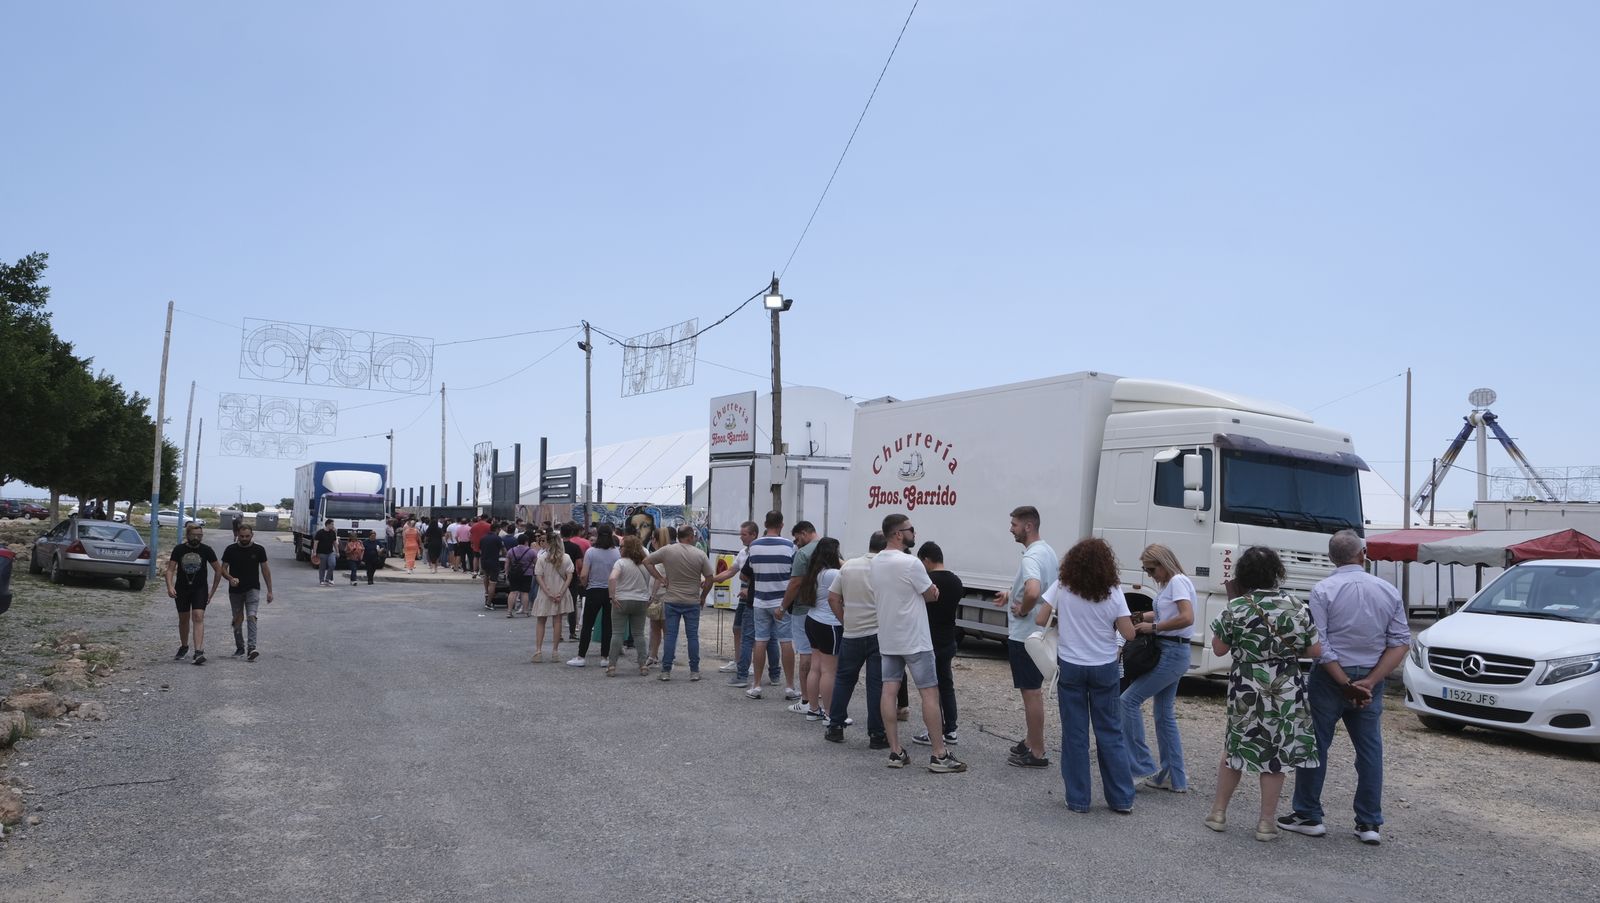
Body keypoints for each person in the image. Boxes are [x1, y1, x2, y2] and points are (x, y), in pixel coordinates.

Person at [1280, 530, 1410, 846]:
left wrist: (1345, 682)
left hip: (1330, 677)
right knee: (1369, 749)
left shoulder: (1323, 590)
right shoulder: (1387, 590)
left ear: (1330, 558)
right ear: (1363, 554)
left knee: (1317, 744)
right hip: (1370, 675)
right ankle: (1369, 823)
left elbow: (1319, 644)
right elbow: (1401, 641)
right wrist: (1370, 682)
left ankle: (1309, 814)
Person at [1206, 546, 1321, 842]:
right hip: (1284, 685)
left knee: (1235, 746)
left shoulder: (1237, 607)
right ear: (1276, 572)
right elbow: (1315, 650)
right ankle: (1266, 823)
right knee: (1275, 753)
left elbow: (1219, 649)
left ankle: (1218, 813)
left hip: (1247, 685)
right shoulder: (1296, 605)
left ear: (1243, 574)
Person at [1037, 537, 1137, 813]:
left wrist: (1066, 621)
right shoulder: (1113, 590)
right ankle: (1121, 799)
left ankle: (1079, 799)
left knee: (1075, 735)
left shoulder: (1062, 586)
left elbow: (1039, 619)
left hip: (1070, 665)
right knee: (1110, 733)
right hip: (1104, 666)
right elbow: (1128, 633)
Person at [870, 514, 965, 773]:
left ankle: (895, 751)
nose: (914, 532)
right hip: (915, 638)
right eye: (911, 529)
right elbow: (930, 594)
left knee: (889, 691)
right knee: (929, 693)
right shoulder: (911, 563)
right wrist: (932, 591)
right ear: (899, 534)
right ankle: (939, 754)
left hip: (888, 637)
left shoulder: (876, 561)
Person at [1122, 544, 1195, 794]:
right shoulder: (1173, 584)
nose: (1150, 574)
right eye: (1146, 570)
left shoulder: (1177, 582)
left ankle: (1142, 766)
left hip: (1171, 650)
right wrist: (1138, 617)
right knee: (1164, 714)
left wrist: (1154, 628)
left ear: (1163, 563)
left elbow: (1187, 617)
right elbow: (1166, 612)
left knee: (1127, 701)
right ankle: (1174, 776)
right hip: (1173, 650)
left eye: (1151, 569)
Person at [995, 505, 1057, 769]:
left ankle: (1037, 751)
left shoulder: (1030, 557)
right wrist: (1011, 594)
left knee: (1031, 693)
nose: (1011, 529)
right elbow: (1042, 587)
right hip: (1040, 633)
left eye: (1014, 524)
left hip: (1025, 636)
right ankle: (1031, 740)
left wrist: (1023, 607)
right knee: (1032, 691)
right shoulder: (1048, 551)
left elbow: (1033, 590)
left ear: (1028, 526)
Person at [824, 531, 889, 747]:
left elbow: (832, 597)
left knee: (844, 680)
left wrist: (845, 620)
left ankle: (835, 727)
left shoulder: (849, 566)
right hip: (879, 634)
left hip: (852, 633)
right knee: (876, 684)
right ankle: (877, 735)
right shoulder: (887, 568)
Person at [645, 524, 714, 680]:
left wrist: (660, 578)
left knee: (670, 636)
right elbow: (710, 578)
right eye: (694, 536)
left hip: (672, 600)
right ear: (689, 536)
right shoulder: (700, 554)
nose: (695, 538)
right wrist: (703, 596)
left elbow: (647, 561)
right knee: (692, 637)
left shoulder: (668, 550)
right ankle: (694, 671)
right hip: (692, 600)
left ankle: (666, 671)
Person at [744, 511, 798, 700]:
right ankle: (790, 687)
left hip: (760, 600)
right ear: (781, 525)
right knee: (785, 642)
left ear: (765, 524)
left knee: (760, 641)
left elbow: (751, 572)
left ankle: (756, 685)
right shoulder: (790, 546)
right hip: (781, 603)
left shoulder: (754, 546)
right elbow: (794, 574)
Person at [915, 541, 963, 747]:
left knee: (930, 688)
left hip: (929, 639)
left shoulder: (927, 581)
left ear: (926, 560)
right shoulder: (956, 581)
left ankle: (933, 730)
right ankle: (951, 729)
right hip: (948, 638)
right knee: (947, 684)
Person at [800, 538, 845, 721]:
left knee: (816, 667)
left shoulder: (815, 572)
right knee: (829, 671)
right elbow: (848, 570)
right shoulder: (834, 573)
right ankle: (830, 713)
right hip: (830, 624)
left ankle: (813, 708)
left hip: (812, 619)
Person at [165, 522, 221, 665]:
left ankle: (198, 651)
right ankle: (184, 646)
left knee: (198, 616)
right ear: (188, 535)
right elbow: (170, 569)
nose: (197, 538)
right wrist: (170, 586)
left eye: (200, 535)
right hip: (182, 588)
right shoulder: (179, 549)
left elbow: (218, 570)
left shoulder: (207, 550)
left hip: (200, 589)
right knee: (184, 619)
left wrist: (212, 591)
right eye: (194, 535)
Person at [781, 521, 821, 714]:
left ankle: (806, 700)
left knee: (805, 654)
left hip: (803, 608)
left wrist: (783, 606)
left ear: (804, 533)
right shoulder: (830, 549)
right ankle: (820, 696)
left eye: (797, 538)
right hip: (825, 610)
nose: (796, 543)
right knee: (823, 657)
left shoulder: (802, 554)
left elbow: (795, 583)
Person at [219, 523, 273, 662]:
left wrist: (270, 591)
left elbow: (265, 570)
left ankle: (251, 648)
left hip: (253, 588)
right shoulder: (230, 549)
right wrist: (230, 578)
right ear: (237, 535)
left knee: (251, 616)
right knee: (237, 619)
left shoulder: (259, 550)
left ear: (252, 535)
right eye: (241, 536)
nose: (244, 538)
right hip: (235, 590)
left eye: (247, 536)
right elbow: (223, 569)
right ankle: (240, 647)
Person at [570, 524, 619, 667]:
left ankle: (581, 656)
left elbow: (584, 574)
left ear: (597, 535)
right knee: (607, 625)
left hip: (593, 590)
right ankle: (605, 657)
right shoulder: (617, 552)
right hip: (610, 592)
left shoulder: (591, 552)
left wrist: (585, 585)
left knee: (587, 624)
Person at [608, 535, 656, 676]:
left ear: (626, 548)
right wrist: (651, 596)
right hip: (641, 601)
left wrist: (612, 595)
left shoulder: (620, 563)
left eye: (621, 546)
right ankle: (643, 665)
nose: (619, 548)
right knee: (639, 634)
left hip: (621, 600)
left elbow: (612, 578)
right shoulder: (645, 564)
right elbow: (654, 578)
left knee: (617, 633)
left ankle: (612, 666)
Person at [531, 531, 574, 662]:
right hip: (560, 591)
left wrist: (548, 593)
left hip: (546, 592)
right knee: (558, 621)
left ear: (547, 542)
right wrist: (561, 592)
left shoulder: (542, 558)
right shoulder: (566, 557)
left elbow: (538, 577)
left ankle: (538, 650)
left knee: (541, 621)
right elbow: (569, 577)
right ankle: (555, 651)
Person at [645, 526, 674, 667]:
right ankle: (665, 655)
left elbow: (658, 578)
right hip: (669, 597)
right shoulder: (670, 555)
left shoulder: (657, 556)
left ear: (655, 540)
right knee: (666, 630)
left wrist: (652, 596)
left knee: (655, 628)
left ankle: (653, 655)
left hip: (659, 597)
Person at [562, 523, 588, 640]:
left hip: (557, 579)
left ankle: (558, 633)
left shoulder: (556, 547)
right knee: (572, 605)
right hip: (571, 578)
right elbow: (579, 564)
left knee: (557, 605)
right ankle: (572, 633)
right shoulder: (575, 547)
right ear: (572, 533)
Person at [504, 532, 539, 617]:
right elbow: (537, 563)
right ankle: (526, 611)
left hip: (514, 574)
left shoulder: (511, 551)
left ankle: (509, 611)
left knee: (513, 592)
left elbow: (507, 564)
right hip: (527, 574)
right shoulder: (531, 552)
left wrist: (506, 573)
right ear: (526, 541)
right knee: (525, 592)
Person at [479, 521, 505, 611]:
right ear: (497, 529)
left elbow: (480, 550)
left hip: (484, 561)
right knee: (493, 582)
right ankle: (489, 603)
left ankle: (486, 593)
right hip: (494, 562)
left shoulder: (483, 538)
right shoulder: (497, 538)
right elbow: (504, 550)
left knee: (486, 576)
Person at [314, 518, 338, 586]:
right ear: (327, 525)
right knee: (322, 567)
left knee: (332, 564)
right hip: (321, 552)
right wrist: (314, 552)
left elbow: (334, 542)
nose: (333, 526)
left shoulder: (333, 532)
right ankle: (321, 580)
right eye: (332, 524)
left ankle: (327, 579)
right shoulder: (320, 532)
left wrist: (337, 551)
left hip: (330, 552)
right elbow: (316, 542)